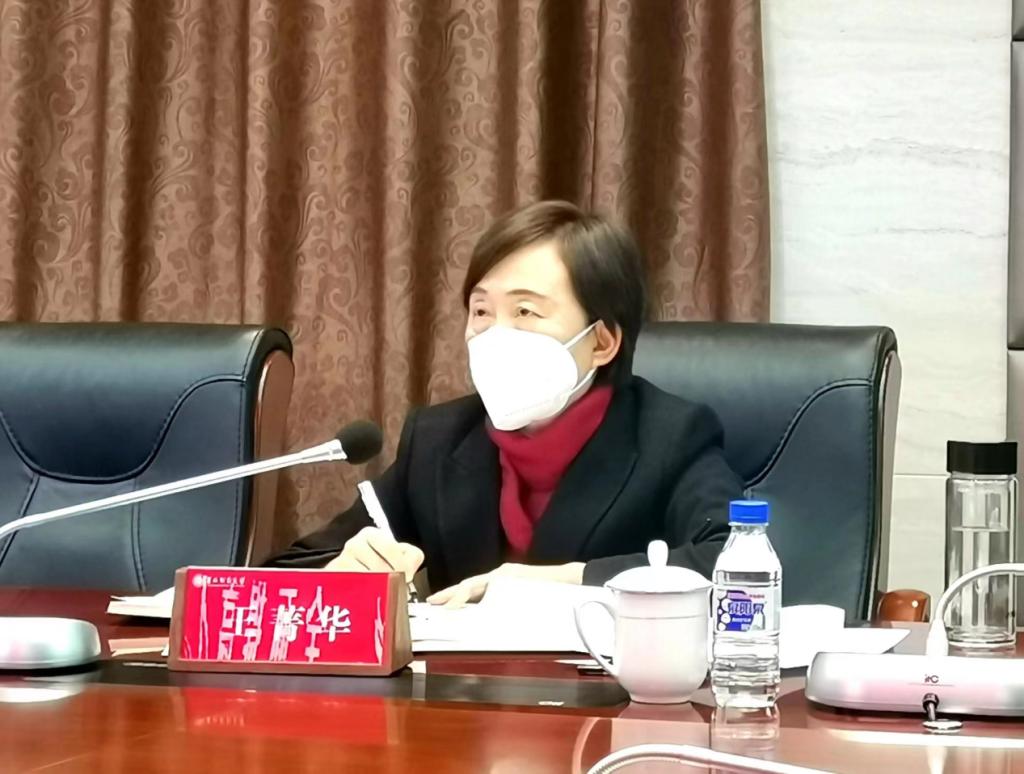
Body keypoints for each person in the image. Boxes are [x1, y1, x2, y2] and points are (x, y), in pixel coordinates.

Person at [268, 200, 744, 607]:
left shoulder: (671, 436)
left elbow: (737, 564)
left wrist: (561, 582)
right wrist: (338, 573)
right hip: (463, 689)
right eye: (481, 311)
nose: (495, 335)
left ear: (601, 342)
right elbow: (284, 574)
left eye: (525, 311)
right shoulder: (439, 441)